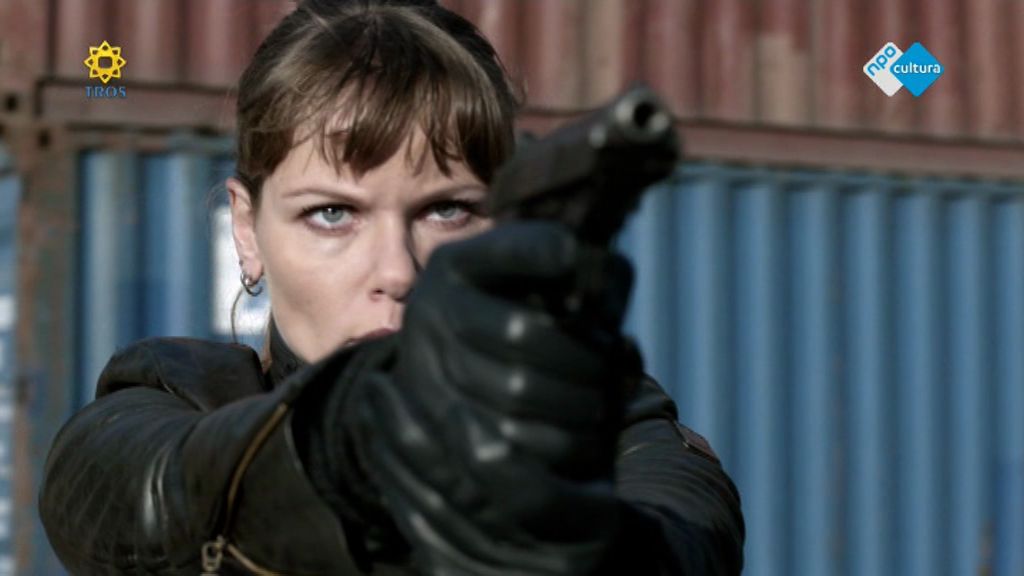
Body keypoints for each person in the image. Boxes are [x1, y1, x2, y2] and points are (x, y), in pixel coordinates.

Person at [38, 0, 745, 574]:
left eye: (448, 210)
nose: (399, 271)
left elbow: (686, 534)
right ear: (248, 232)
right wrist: (348, 442)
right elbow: (120, 495)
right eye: (332, 214)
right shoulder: (173, 401)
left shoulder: (615, 428)